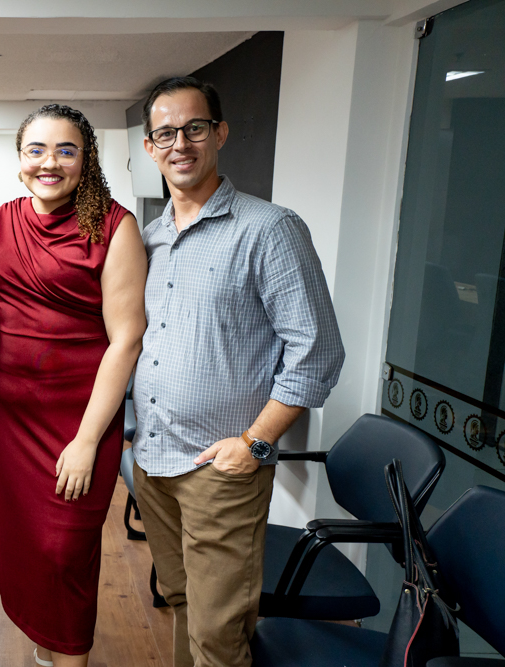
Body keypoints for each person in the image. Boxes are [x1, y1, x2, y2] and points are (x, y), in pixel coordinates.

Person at [131, 76, 345, 667]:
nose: (181, 144)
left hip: (220, 470)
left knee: (219, 635)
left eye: (194, 129)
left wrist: (254, 443)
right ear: (150, 146)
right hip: (152, 461)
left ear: (219, 134)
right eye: (166, 133)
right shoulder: (151, 241)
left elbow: (318, 352)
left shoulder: (269, 229)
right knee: (179, 601)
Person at [0, 104, 147, 667]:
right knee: (29, 550)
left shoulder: (113, 226)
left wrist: (85, 440)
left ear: (87, 159)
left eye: (66, 150)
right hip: (8, 422)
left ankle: (68, 656)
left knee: (64, 554)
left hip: (81, 422)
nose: (49, 162)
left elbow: (126, 340)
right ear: (20, 159)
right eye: (36, 150)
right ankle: (45, 652)